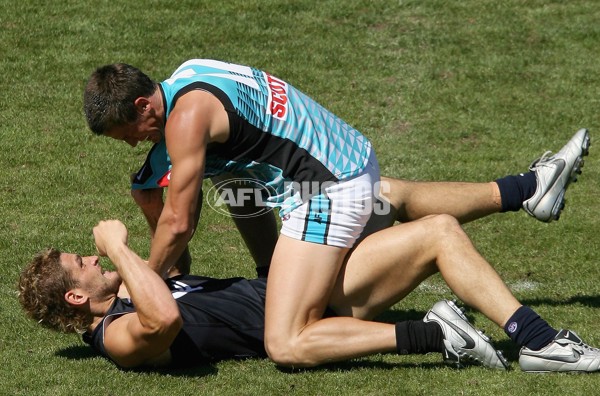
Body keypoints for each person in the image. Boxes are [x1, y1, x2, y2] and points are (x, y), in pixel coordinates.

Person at [83, 59, 590, 368]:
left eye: (126, 133)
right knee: (418, 218)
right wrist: (269, 271)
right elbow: (244, 192)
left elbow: (179, 223)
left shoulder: (185, 120)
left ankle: (441, 336)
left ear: (144, 108)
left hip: (325, 193)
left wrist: (141, 277)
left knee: (284, 341)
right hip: (351, 162)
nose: (131, 143)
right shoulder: (192, 76)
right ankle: (528, 192)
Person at [18, 216, 600, 373]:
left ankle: (538, 339)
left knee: (438, 231)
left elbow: (174, 249)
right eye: (82, 264)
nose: (91, 257)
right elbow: (165, 317)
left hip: (298, 288)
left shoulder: (130, 293)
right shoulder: (116, 339)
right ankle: (439, 332)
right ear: (76, 299)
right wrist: (118, 248)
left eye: (88, 252)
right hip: (296, 319)